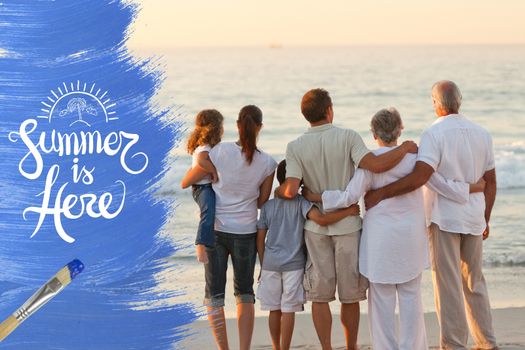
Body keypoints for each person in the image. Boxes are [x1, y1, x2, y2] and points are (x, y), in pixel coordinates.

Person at [303, 107, 485, 350]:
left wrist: (315, 196)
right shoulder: (415, 160)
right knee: (412, 300)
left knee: (381, 304)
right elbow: (441, 185)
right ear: (400, 130)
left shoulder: (370, 164)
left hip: (380, 241)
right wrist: (472, 188)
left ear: (373, 133)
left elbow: (348, 196)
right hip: (410, 239)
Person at [275, 88, 418, 350]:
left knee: (320, 296)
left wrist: (277, 192)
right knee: (349, 296)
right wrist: (407, 148)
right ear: (329, 110)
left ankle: (327, 348)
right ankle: (351, 347)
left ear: (306, 115)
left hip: (316, 228)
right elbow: (375, 165)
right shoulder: (348, 136)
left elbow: (291, 189)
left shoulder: (294, 146)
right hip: (349, 227)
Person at [364, 81, 498, 350]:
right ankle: (487, 342)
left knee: (447, 284)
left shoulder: (433, 134)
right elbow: (491, 181)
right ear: (459, 101)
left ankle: (454, 344)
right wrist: (486, 216)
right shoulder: (483, 134)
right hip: (473, 218)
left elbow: (421, 177)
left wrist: (382, 193)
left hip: (444, 218)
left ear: (436, 104)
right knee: (475, 282)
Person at [182, 105, 277, 350]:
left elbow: (193, 177)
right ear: (260, 128)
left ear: (237, 125)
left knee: (214, 295)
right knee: (244, 293)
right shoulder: (268, 163)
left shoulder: (219, 151)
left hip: (216, 229)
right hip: (246, 231)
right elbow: (261, 202)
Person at [256, 160, 360, 350]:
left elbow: (260, 239)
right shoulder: (301, 203)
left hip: (270, 265)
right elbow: (321, 220)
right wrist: (348, 211)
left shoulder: (268, 207)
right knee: (288, 309)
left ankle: (276, 347)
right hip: (293, 265)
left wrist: (263, 264)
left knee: (274, 309)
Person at [181, 109, 224, 263]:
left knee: (208, 213)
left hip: (204, 187)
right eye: (221, 125)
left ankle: (207, 240)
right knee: (208, 212)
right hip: (202, 188)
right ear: (215, 128)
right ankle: (200, 245)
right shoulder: (204, 148)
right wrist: (213, 172)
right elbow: (201, 162)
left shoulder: (207, 147)